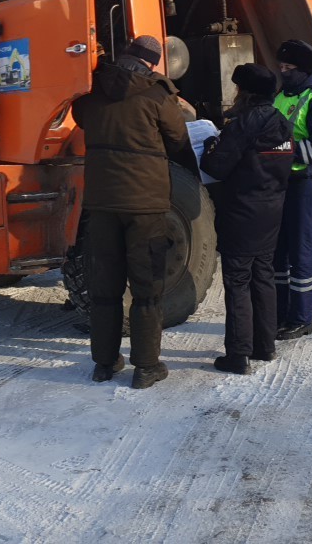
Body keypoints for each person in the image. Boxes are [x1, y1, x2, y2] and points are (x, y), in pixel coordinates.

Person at [70, 34, 193, 389]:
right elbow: (178, 140)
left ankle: (104, 364)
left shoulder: (93, 93)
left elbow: (80, 117)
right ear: (151, 64)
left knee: (104, 287)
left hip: (102, 204)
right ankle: (146, 367)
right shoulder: (158, 96)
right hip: (145, 206)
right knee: (146, 288)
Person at [198, 63, 293, 374]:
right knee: (263, 275)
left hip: (242, 211)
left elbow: (217, 167)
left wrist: (209, 148)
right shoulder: (281, 122)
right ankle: (264, 347)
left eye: (238, 88)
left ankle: (238, 355)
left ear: (247, 92)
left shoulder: (244, 123)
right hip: (272, 210)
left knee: (238, 280)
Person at [271, 39, 312, 339]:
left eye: (289, 68)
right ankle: (278, 314)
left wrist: (282, 150)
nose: (283, 72)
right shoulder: (283, 95)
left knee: (300, 251)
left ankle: (301, 318)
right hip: (282, 182)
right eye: (281, 67)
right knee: (278, 252)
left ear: (304, 69)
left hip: (305, 182)